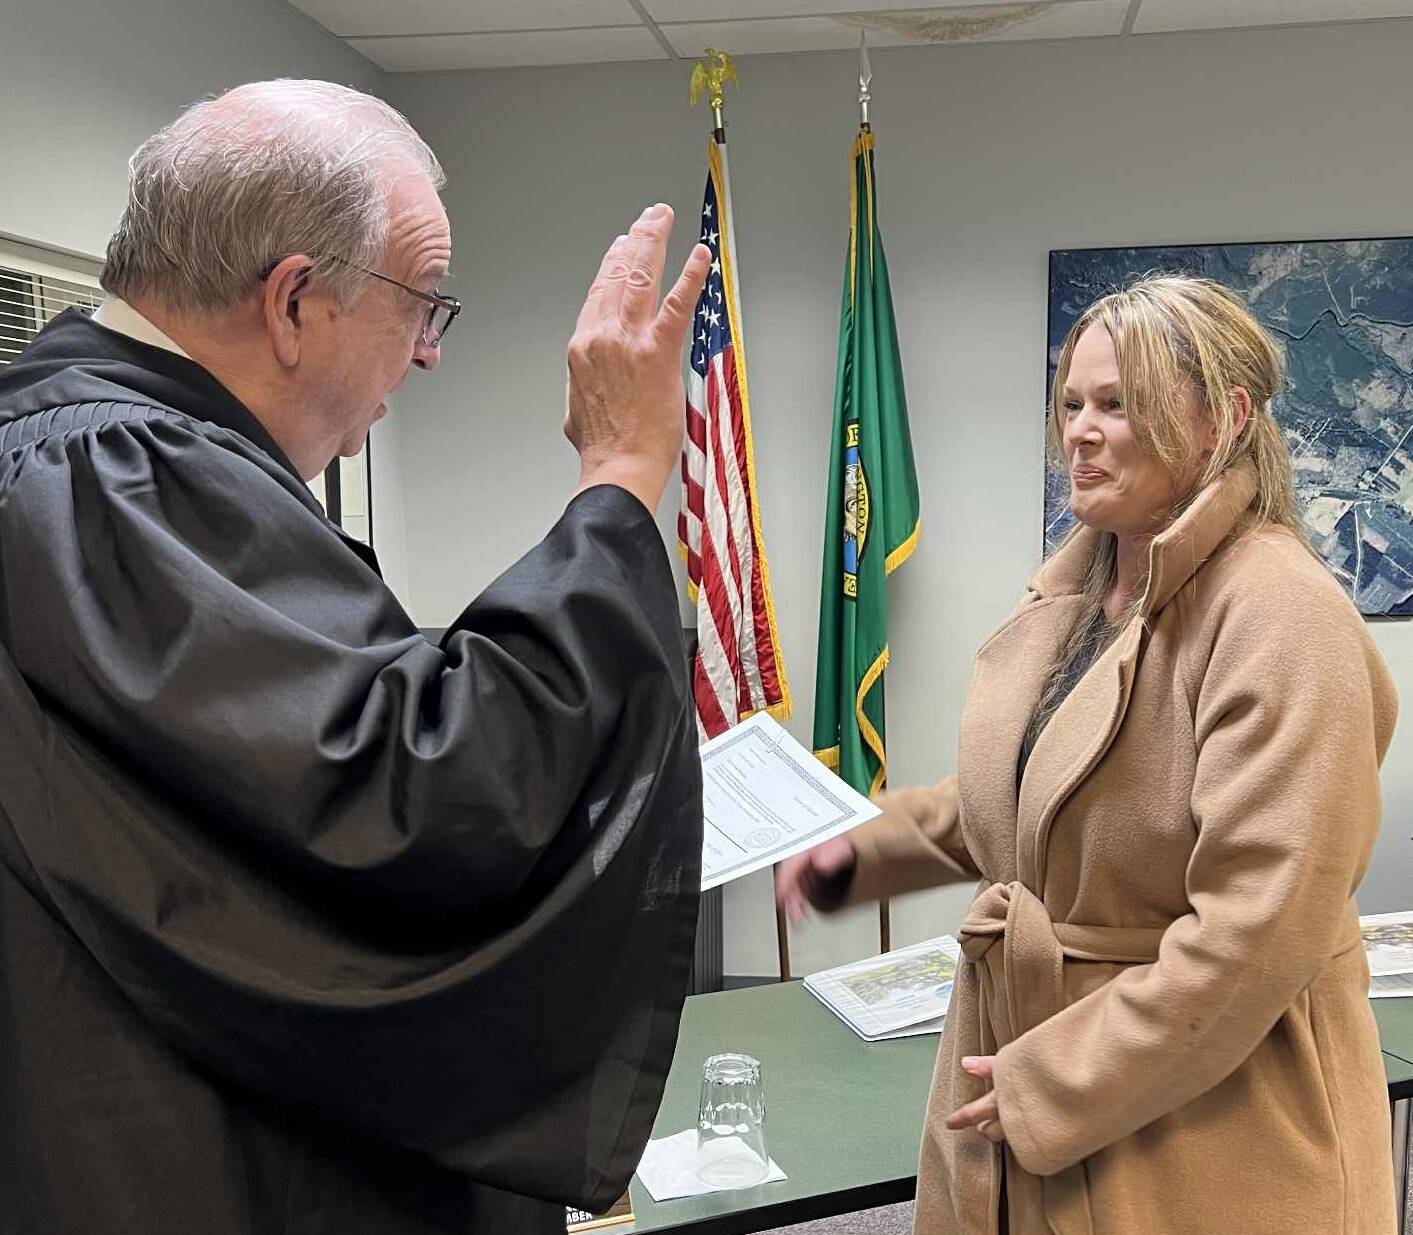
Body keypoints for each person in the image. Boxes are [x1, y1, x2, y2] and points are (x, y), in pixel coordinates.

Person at [0, 80, 712, 1235]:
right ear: (292, 303)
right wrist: (622, 472)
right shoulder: (119, 476)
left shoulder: (76, 458)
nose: (427, 354)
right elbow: (420, 794)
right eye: (423, 303)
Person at [779, 275, 1398, 1235]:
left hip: (1202, 1119)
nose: (1080, 429)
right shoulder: (1089, 586)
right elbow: (1026, 805)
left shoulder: (1279, 612)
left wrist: (1051, 1083)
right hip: (1030, 1063)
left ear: (1221, 418)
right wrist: (859, 849)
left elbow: (1256, 930)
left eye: (1118, 404)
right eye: (1071, 402)